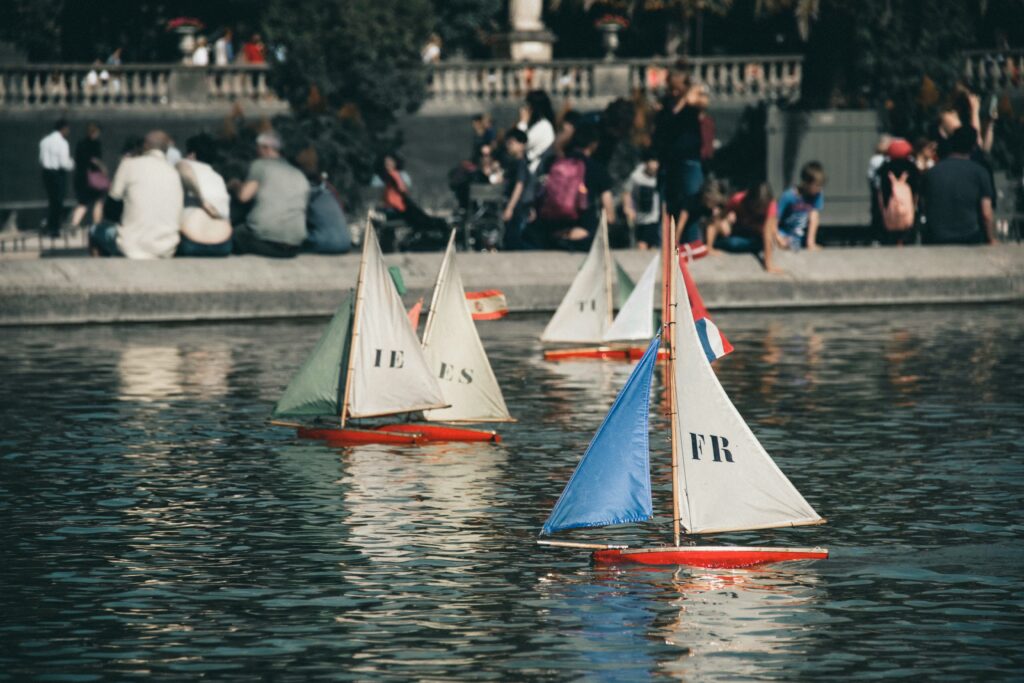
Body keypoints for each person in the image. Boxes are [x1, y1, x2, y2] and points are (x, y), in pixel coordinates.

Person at [88, 130, 183, 258]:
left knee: (95, 230)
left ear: (145, 146)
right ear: (166, 150)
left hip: (130, 246)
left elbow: (111, 208)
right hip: (166, 248)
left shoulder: (128, 165)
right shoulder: (174, 173)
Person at [537, 123, 615, 251]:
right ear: (593, 144)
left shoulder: (554, 163)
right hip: (584, 233)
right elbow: (609, 214)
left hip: (553, 233)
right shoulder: (597, 169)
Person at [230, 130, 309, 257]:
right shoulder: (299, 174)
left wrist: (235, 185)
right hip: (294, 246)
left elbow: (243, 196)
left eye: (258, 148)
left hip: (265, 241)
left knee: (235, 233)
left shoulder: (260, 165)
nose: (256, 152)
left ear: (266, 149)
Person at [652, 67, 705, 253]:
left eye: (677, 89)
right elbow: (659, 133)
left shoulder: (692, 103)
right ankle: (665, 242)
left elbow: (701, 101)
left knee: (691, 200)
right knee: (669, 201)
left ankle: (691, 242)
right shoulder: (666, 106)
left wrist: (687, 97)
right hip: (669, 160)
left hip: (689, 159)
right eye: (671, 88)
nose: (674, 92)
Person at [921, 126, 995, 245]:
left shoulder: (932, 173)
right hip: (970, 237)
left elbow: (923, 205)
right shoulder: (980, 172)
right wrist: (990, 238)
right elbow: (986, 213)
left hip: (937, 238)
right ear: (973, 147)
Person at [175, 134, 232, 257]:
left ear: (192, 155)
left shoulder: (185, 164)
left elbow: (184, 170)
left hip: (191, 243)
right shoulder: (218, 178)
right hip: (223, 245)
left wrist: (201, 199)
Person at [706, 181, 781, 273]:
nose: (760, 210)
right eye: (757, 206)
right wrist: (709, 247)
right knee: (733, 242)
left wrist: (768, 265)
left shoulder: (771, 205)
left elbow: (767, 233)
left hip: (758, 237)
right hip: (741, 233)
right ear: (750, 200)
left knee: (765, 244)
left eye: (763, 207)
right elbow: (717, 220)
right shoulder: (738, 199)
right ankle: (718, 243)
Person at [874, 139, 921, 245]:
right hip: (908, 210)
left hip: (890, 211)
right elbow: (916, 190)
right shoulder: (911, 168)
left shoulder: (885, 168)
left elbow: (882, 192)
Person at [776, 161, 826, 251]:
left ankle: (808, 242)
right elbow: (774, 220)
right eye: (817, 185)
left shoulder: (817, 195)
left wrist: (810, 243)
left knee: (814, 214)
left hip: (799, 236)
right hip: (783, 234)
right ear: (806, 182)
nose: (820, 189)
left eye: (821, 185)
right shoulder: (788, 196)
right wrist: (778, 238)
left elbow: (814, 217)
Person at [39, 119, 74, 237]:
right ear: (63, 129)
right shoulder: (63, 143)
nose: (68, 132)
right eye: (68, 129)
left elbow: (41, 159)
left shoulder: (44, 141)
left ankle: (50, 225)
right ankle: (54, 228)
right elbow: (64, 163)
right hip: (58, 174)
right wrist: (73, 164)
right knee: (58, 202)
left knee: (52, 200)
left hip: (46, 173)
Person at [621, 149, 661, 250]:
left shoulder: (661, 176)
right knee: (642, 246)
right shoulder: (636, 176)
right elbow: (626, 191)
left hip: (654, 218)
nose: (654, 166)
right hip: (639, 217)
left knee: (645, 245)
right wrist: (627, 207)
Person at [70, 123, 107, 229]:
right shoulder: (96, 144)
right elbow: (95, 159)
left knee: (83, 203)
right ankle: (97, 225)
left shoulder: (80, 144)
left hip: (81, 177)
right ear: (96, 132)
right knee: (98, 201)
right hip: (93, 177)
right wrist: (103, 168)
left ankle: (74, 223)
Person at [501, 128, 532, 251]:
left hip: (517, 206)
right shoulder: (517, 163)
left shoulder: (520, 164)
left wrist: (510, 208)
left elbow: (519, 185)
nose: (509, 146)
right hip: (519, 206)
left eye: (512, 143)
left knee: (514, 239)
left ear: (522, 145)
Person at [517, 90, 556, 174]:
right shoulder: (539, 125)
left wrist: (522, 122)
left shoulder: (543, 126)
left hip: (535, 171)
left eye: (527, 106)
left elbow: (519, 143)